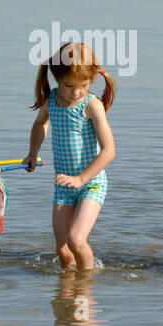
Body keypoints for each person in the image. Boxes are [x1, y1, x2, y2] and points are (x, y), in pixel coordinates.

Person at [24, 42, 116, 271]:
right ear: (57, 78)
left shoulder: (91, 104)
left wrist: (82, 179)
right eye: (68, 85)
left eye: (83, 85)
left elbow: (109, 151)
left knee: (76, 240)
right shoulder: (52, 101)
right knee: (63, 249)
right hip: (64, 186)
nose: (75, 92)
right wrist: (33, 153)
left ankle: (85, 286)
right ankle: (67, 292)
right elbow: (39, 125)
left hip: (91, 184)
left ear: (92, 79)